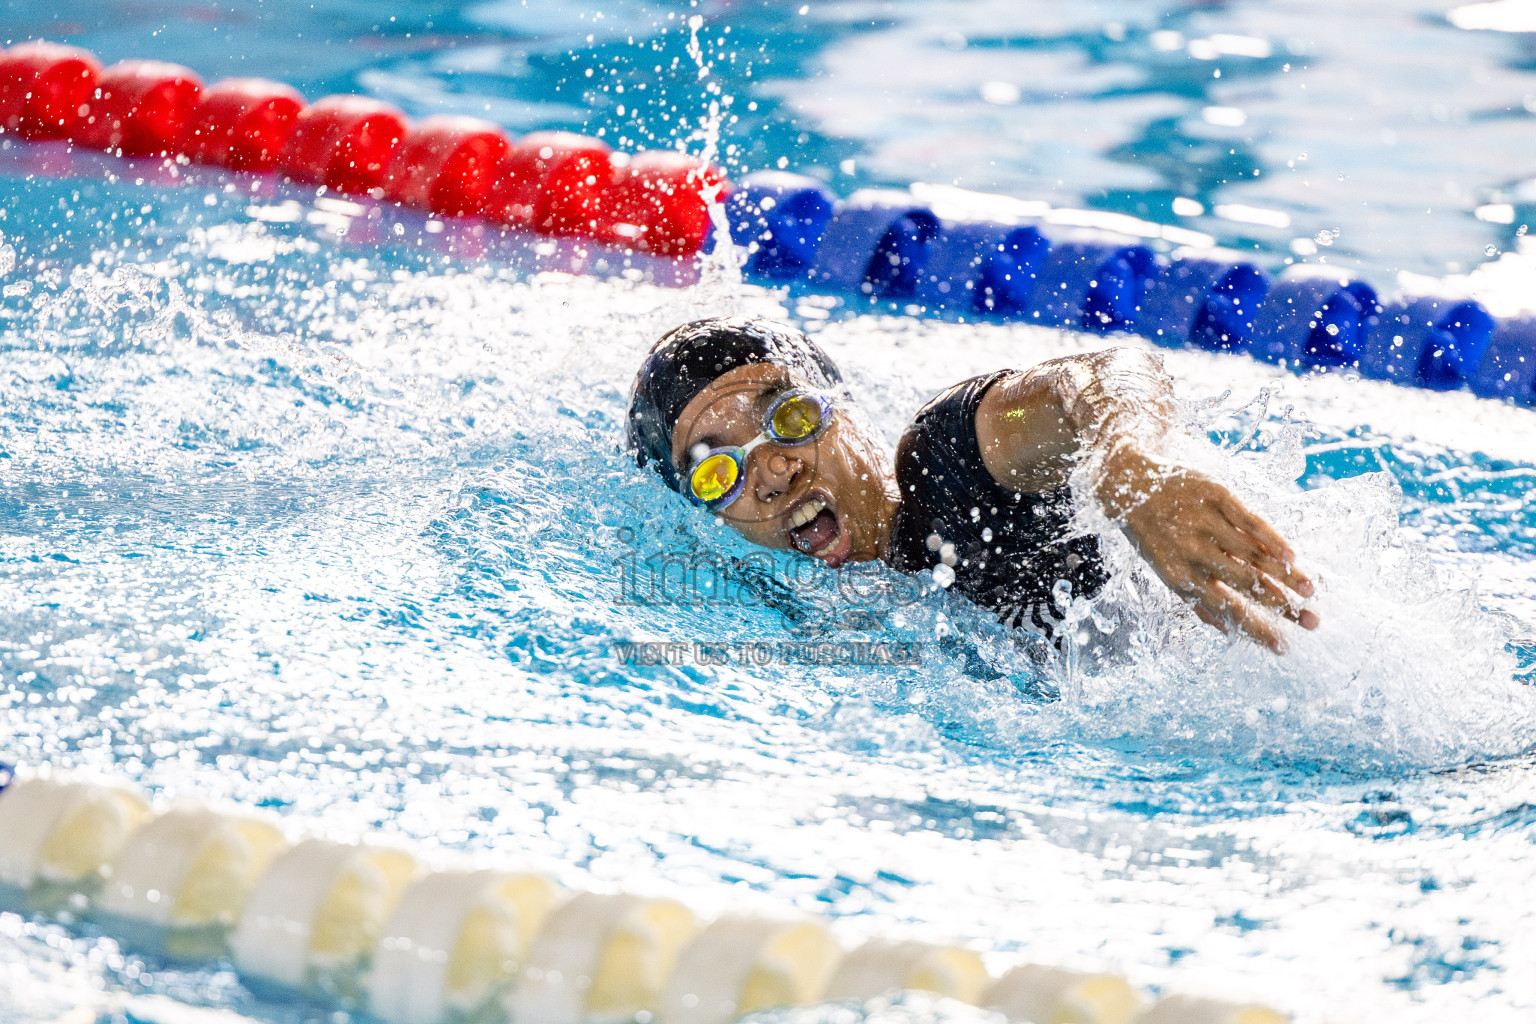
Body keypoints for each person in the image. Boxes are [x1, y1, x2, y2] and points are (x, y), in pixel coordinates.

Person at [626, 316, 1320, 653]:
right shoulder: (812, 618)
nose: (773, 472)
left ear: (846, 410)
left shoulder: (948, 462)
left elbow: (1093, 378)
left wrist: (1129, 470)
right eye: (718, 471)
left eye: (789, 414)